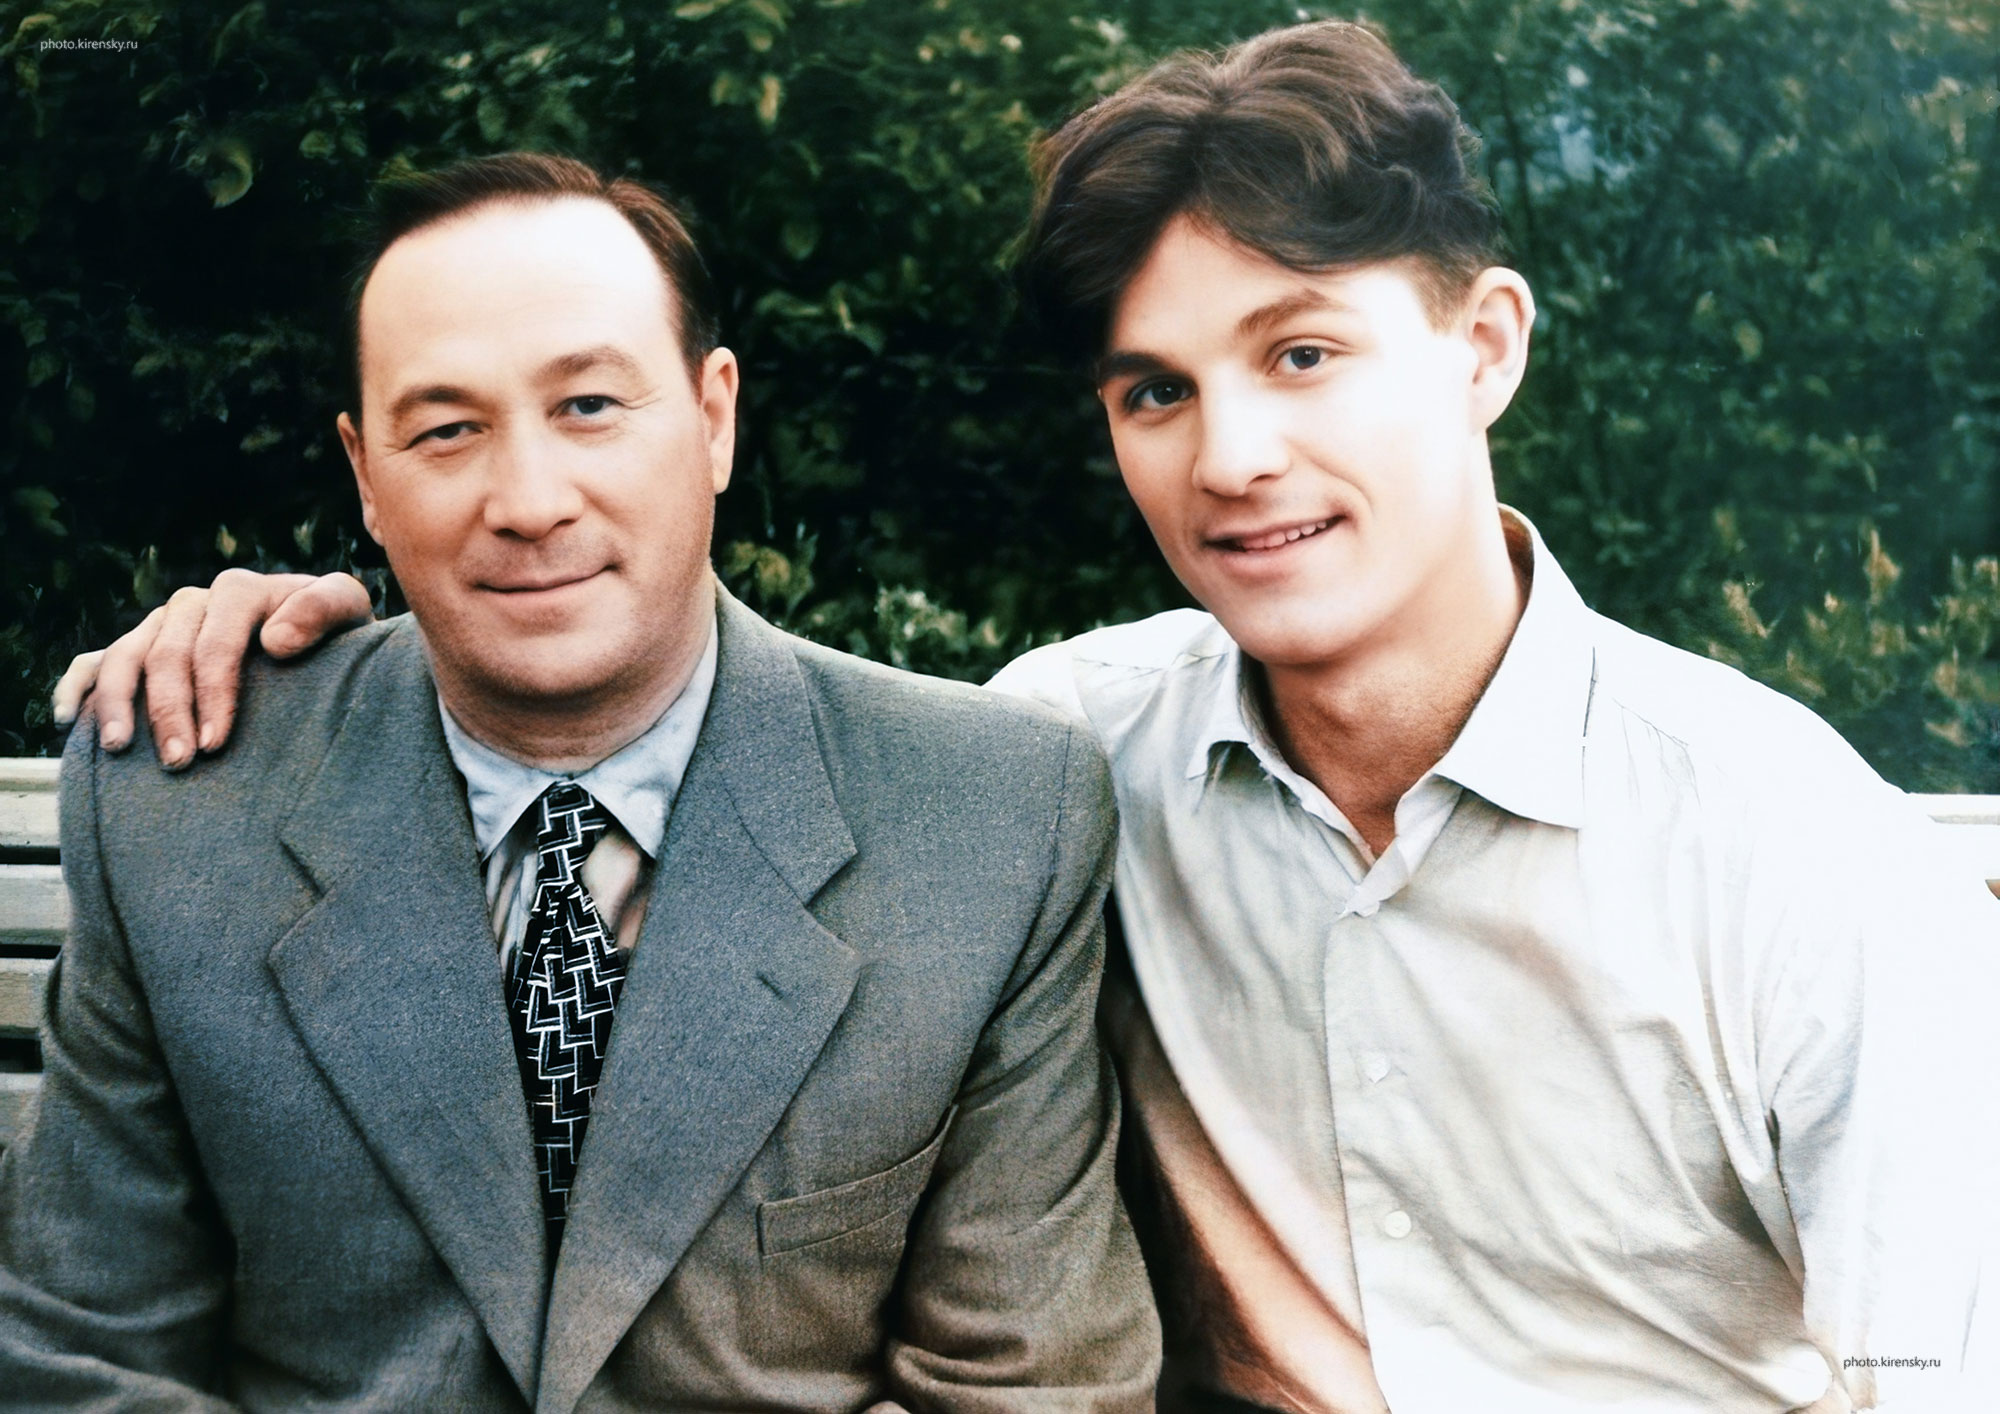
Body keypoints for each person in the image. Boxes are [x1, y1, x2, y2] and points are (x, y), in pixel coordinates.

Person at [56, 21, 2000, 1414]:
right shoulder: (1067, 756)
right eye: (1156, 390)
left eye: (1303, 352)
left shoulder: (1795, 851)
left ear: (1482, 344)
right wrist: (286, 622)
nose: (1234, 456)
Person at [1, 152, 1160, 1411]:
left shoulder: (990, 819)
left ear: (713, 418)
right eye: (446, 429)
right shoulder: (181, 804)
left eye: (589, 405)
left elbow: (1036, 1387)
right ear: (365, 475)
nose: (528, 501)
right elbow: (80, 1360)